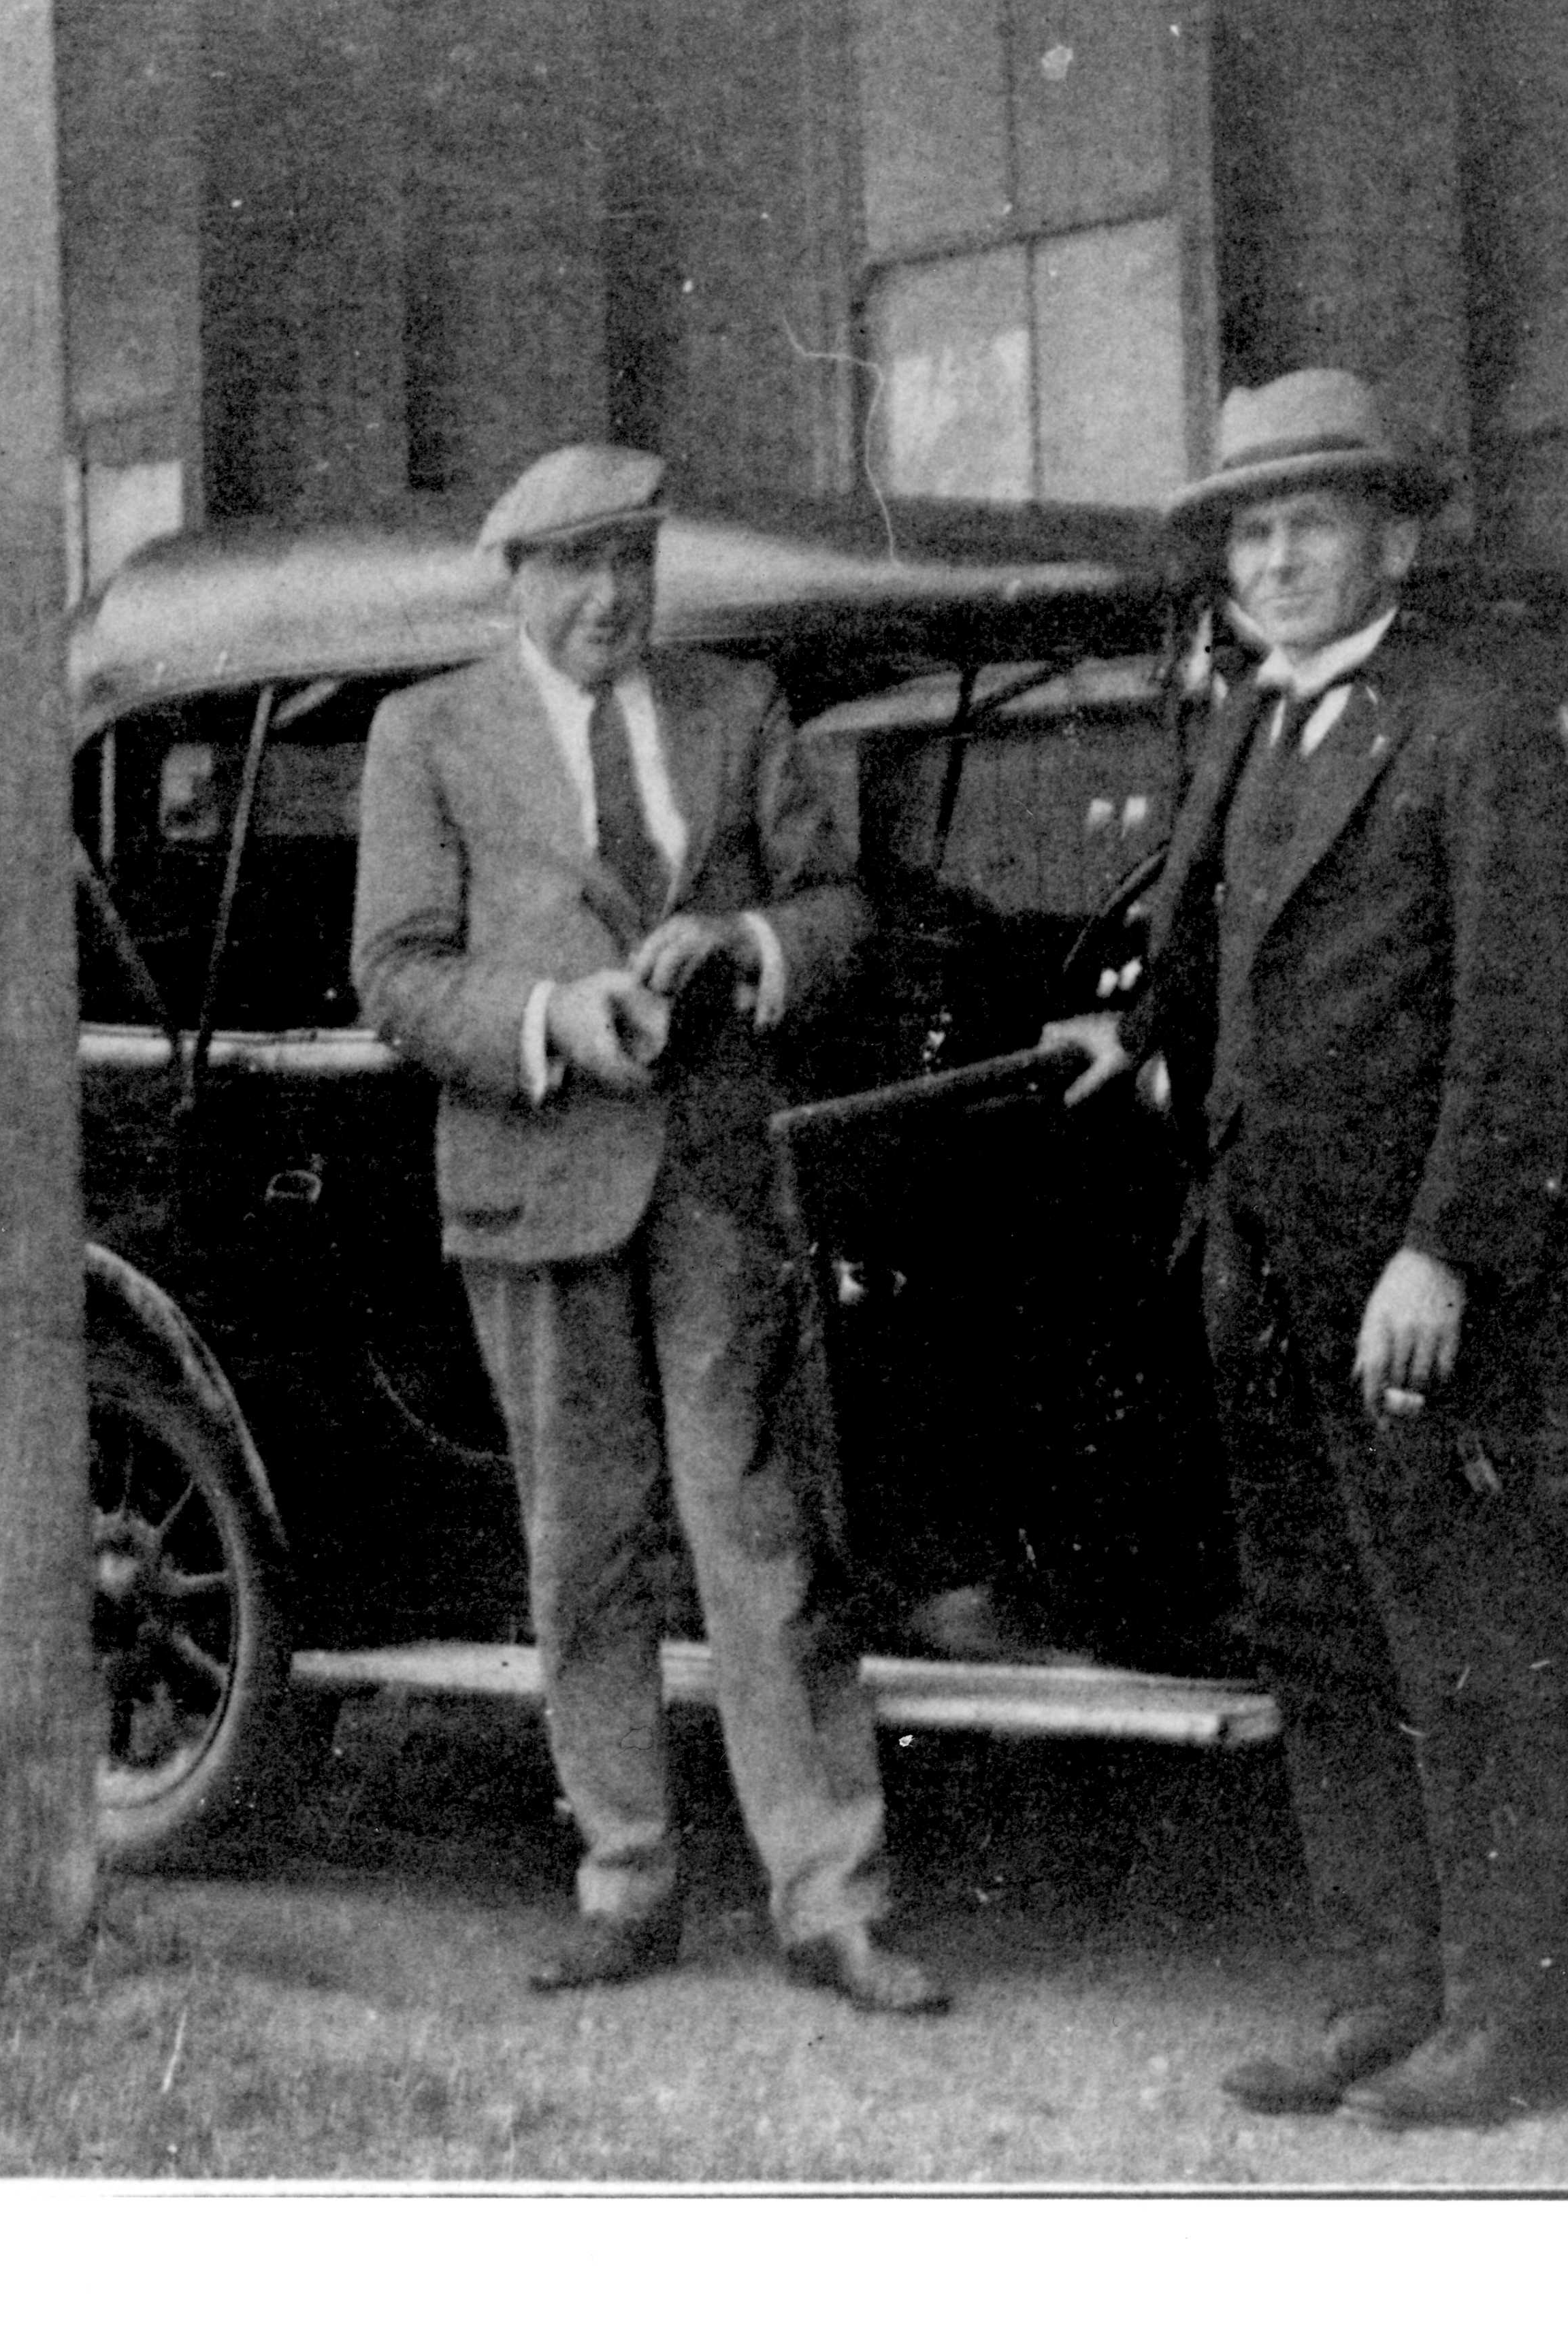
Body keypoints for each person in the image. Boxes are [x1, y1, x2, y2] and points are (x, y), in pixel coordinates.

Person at [1051, 367, 1568, 2128]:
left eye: (1307, 522)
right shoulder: (1250, 722)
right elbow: (1220, 954)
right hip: (1260, 1256)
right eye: (1250, 529)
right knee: (1318, 1633)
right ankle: (1377, 1997)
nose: (1276, 558)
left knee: (1458, 1631)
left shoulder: (1472, 719)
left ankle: (1509, 2022)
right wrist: (1138, 1040)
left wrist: (1442, 1250)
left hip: (1402, 1281)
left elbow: (1524, 1018)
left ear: (1392, 532)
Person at [349, 444, 941, 2015]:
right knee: (583, 1546)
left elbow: (842, 908)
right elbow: (397, 971)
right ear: (516, 579)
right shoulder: (427, 735)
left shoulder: (735, 709)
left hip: (713, 1181)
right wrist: (551, 1015)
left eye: (635, 562)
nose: (611, 595)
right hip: (536, 1178)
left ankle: (831, 1897)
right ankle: (626, 1878)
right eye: (576, 566)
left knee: (760, 1535)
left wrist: (744, 941)